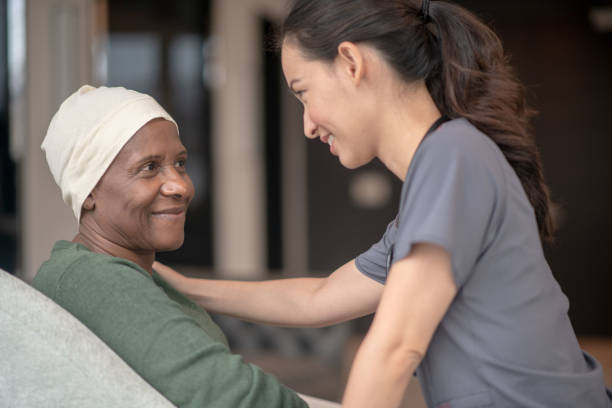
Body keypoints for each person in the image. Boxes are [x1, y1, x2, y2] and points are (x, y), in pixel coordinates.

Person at [154, 0, 612, 407]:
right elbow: (320, 297)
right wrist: (185, 287)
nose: (308, 126)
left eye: (304, 93)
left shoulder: (452, 155)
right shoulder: (442, 168)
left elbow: (396, 346)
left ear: (351, 63)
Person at [32, 85, 338, 408]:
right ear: (89, 190)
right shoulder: (93, 279)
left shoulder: (123, 274)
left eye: (180, 163)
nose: (181, 186)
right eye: (149, 168)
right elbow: (230, 395)